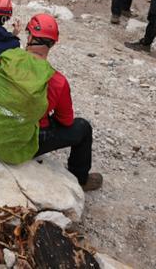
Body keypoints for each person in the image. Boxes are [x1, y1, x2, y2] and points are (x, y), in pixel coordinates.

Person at [28, 14, 103, 191]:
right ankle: (80, 179)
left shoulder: (6, 60)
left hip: (0, 128)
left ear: (29, 36)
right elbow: (66, 121)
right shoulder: (57, 81)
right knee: (83, 127)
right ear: (53, 44)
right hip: (31, 138)